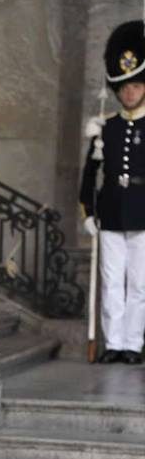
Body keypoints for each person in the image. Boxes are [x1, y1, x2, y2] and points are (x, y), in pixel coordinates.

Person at [80, 20, 145, 364]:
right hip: (111, 212)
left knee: (139, 284)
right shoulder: (105, 127)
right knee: (111, 282)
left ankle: (133, 344)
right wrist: (88, 212)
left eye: (135, 86)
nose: (129, 93)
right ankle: (114, 343)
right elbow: (89, 175)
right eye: (124, 87)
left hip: (143, 212)